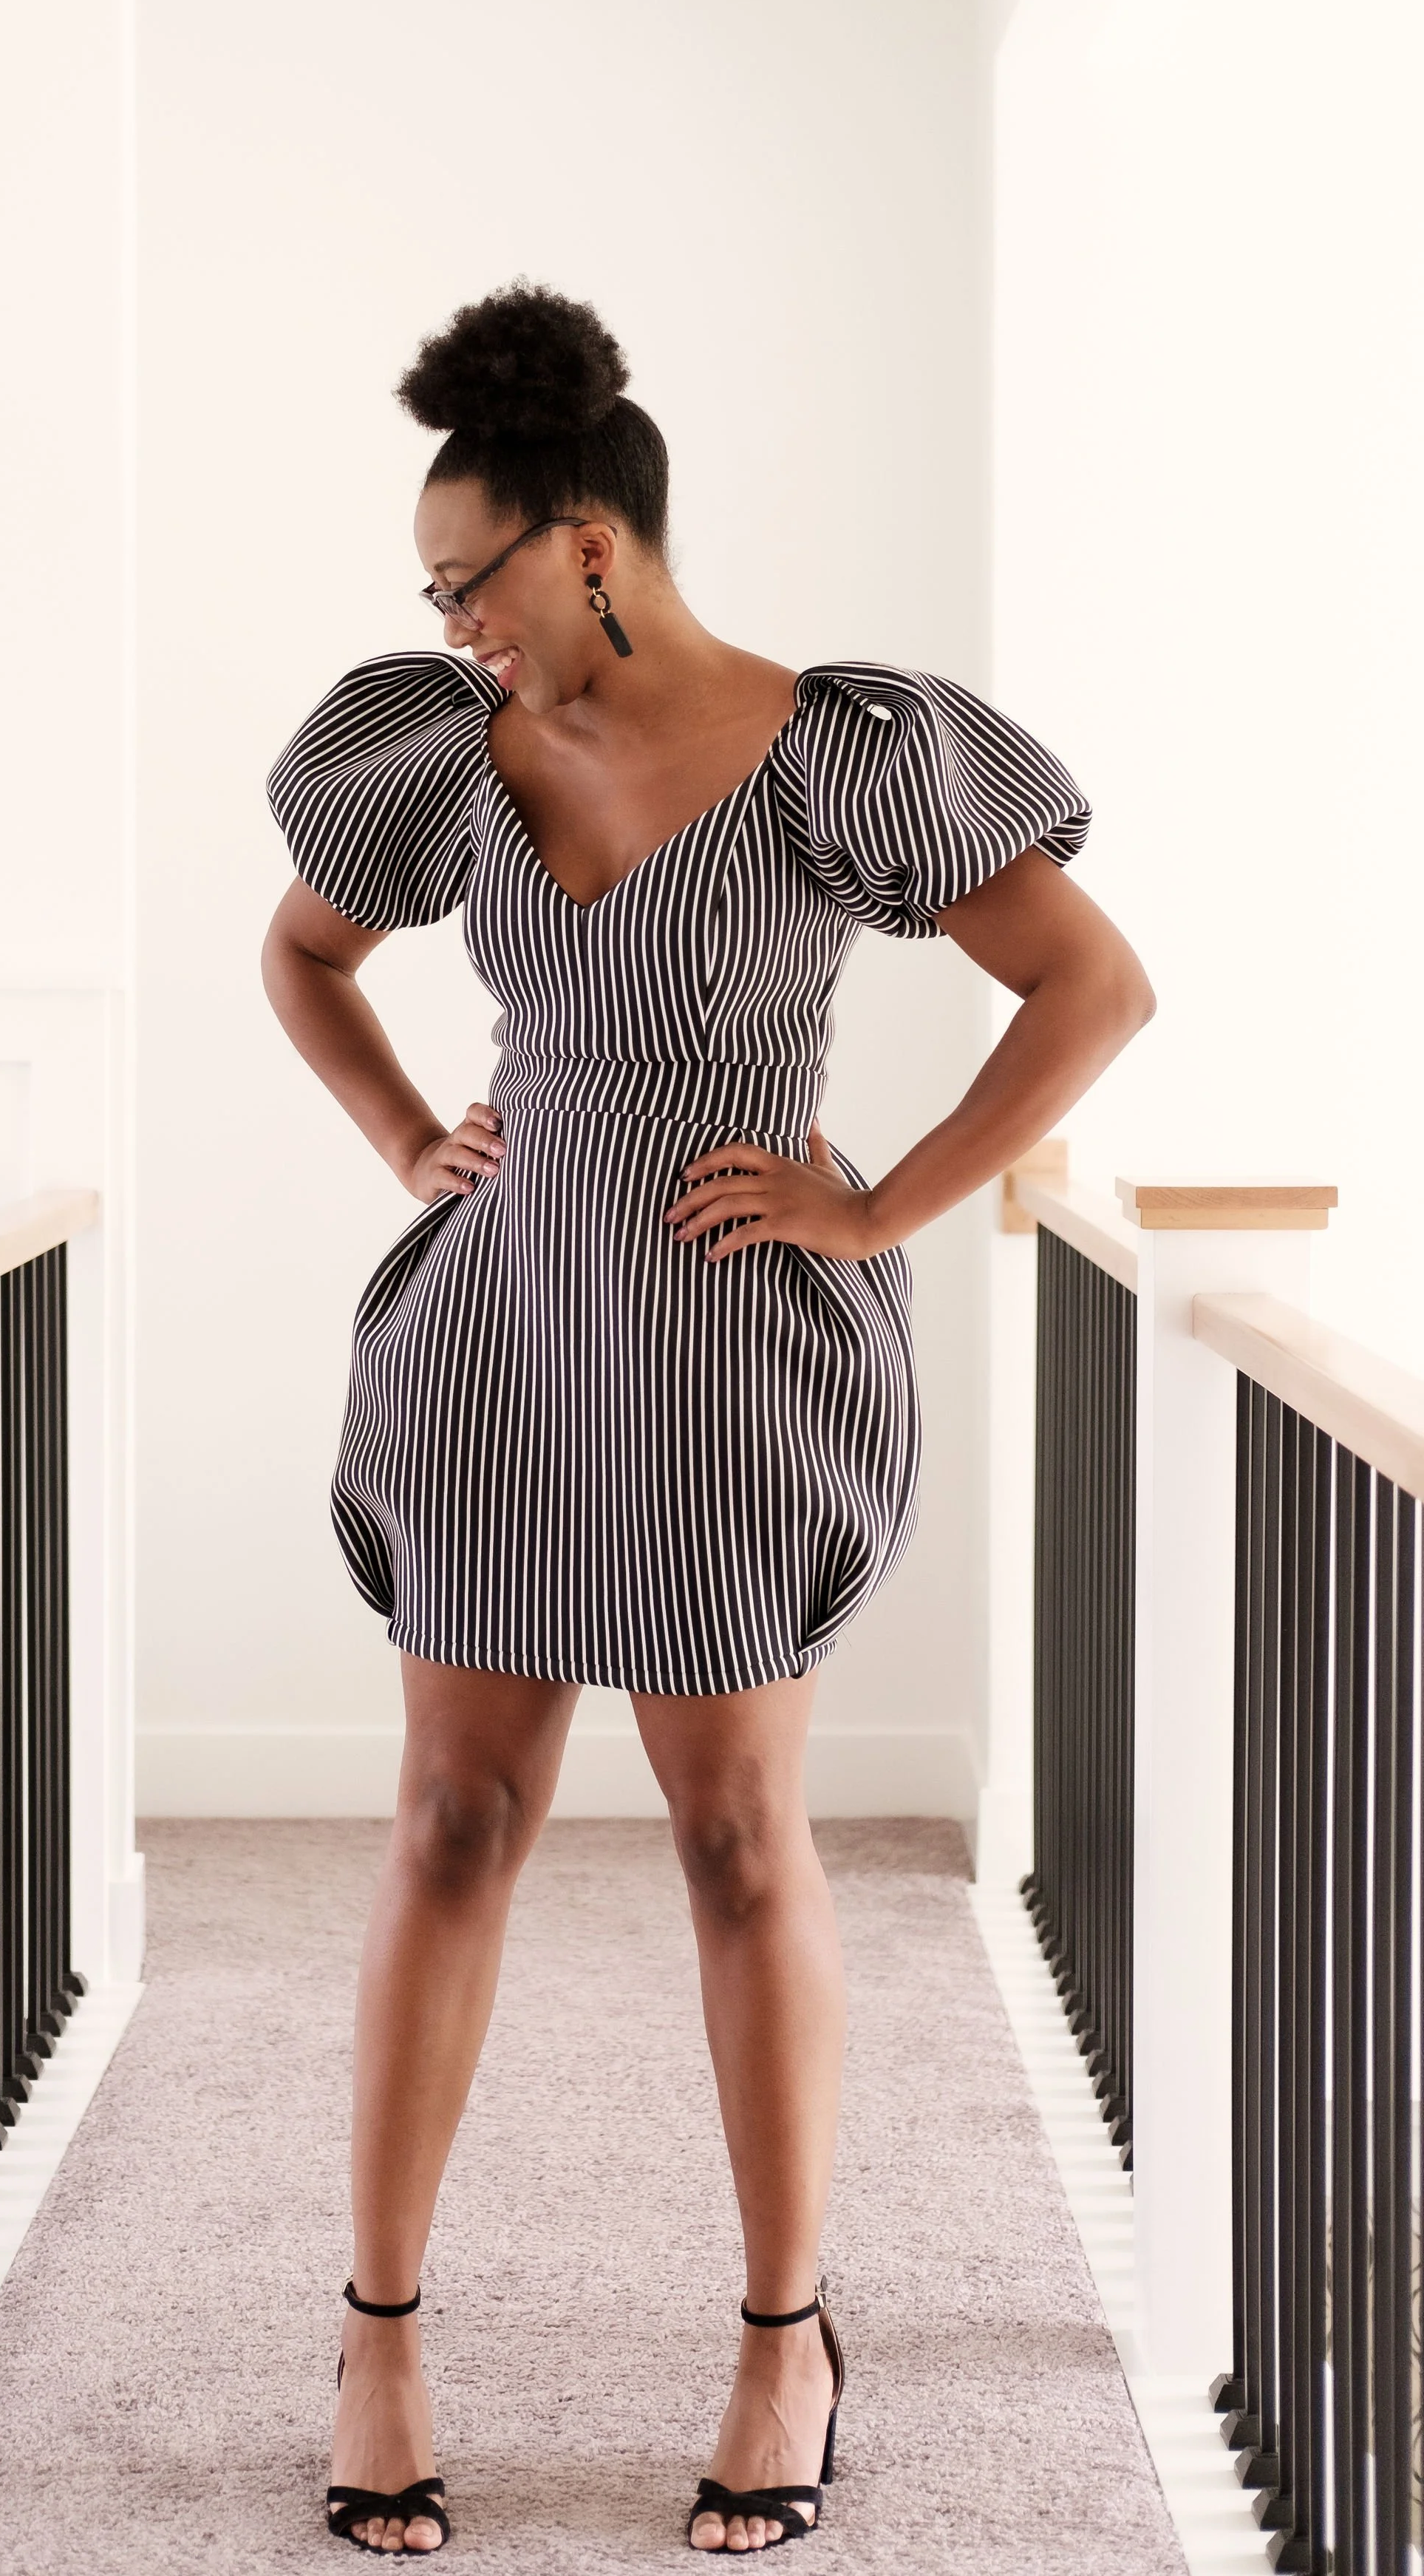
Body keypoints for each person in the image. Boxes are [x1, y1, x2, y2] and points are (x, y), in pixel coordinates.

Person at [260, 283, 1153, 2557]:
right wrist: (401, 1148)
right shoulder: (447, 752)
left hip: (732, 1365)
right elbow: (303, 953)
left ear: (587, 544)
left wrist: (880, 1211)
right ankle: (376, 2332)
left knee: (743, 1842)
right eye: (429, 596)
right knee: (449, 1823)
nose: (449, 626)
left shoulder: (842, 750)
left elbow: (1092, 986)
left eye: (466, 580)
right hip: (501, 1348)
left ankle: (785, 2341)